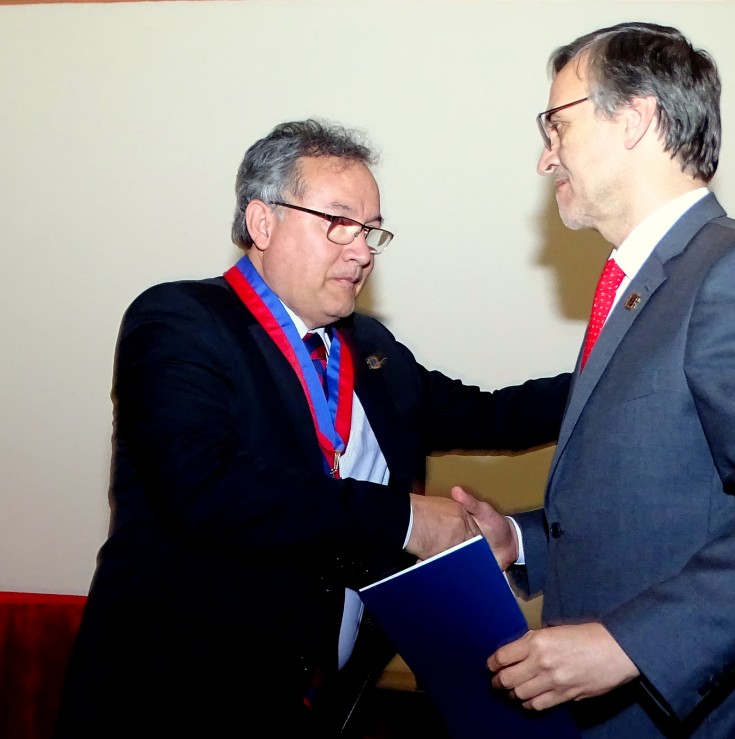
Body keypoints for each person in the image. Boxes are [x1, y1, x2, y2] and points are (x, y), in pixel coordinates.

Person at [55, 119, 570, 739]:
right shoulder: (180, 321)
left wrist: (619, 371)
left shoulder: (371, 350)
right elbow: (207, 488)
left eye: (371, 230)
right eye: (339, 224)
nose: (362, 250)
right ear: (262, 222)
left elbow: (493, 415)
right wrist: (405, 519)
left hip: (318, 703)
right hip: (172, 700)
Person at [454, 21, 735, 738]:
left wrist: (626, 644)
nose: (545, 159)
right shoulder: (635, 283)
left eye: (556, 126)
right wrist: (522, 542)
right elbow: (664, 509)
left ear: (636, 118)